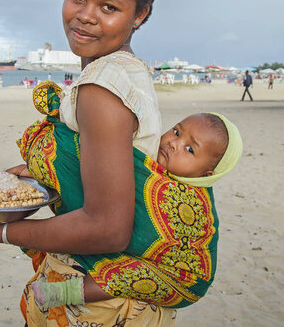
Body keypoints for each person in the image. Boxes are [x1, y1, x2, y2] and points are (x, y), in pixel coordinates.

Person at [0, 0, 171, 325]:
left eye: (109, 7)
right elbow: (104, 161)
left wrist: (1, 232)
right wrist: (26, 173)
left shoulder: (101, 89)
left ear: (140, 14)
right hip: (120, 294)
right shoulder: (124, 69)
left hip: (99, 303)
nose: (86, 15)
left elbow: (108, 229)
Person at [15, 81, 242, 310]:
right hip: (144, 256)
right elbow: (94, 169)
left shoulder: (189, 201)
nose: (174, 143)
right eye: (176, 131)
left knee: (123, 278)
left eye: (190, 149)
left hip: (181, 278)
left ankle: (62, 293)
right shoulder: (147, 163)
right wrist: (28, 171)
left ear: (206, 174)